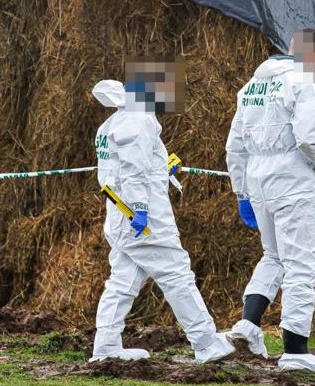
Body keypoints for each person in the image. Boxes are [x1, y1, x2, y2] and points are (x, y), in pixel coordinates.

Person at [90, 60, 235, 364]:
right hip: (141, 217)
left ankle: (105, 346)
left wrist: (163, 169)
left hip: (120, 214)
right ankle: (206, 342)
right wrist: (141, 209)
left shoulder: (115, 122)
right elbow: (132, 172)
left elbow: (123, 167)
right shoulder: (137, 119)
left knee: (123, 280)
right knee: (176, 273)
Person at [224, 30, 315, 374]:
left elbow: (235, 147)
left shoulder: (250, 88)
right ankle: (295, 349)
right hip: (292, 182)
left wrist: (241, 192)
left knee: (273, 255)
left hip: (258, 180)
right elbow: (308, 138)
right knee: (301, 264)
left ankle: (248, 325)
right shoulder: (302, 81)